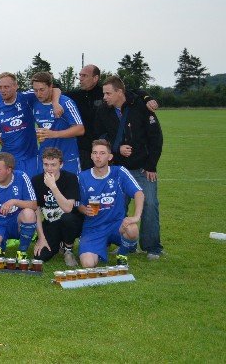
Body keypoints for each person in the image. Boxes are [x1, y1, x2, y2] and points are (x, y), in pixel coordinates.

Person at [94, 75, 163, 260]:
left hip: (143, 168)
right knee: (117, 207)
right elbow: (100, 136)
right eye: (103, 94)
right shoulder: (103, 111)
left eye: (108, 93)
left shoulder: (141, 106)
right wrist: (116, 149)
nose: (105, 97)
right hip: (118, 169)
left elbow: (156, 138)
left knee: (149, 204)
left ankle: (152, 247)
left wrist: (151, 165)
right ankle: (124, 243)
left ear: (119, 92)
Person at [66, 64, 158, 170]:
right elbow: (57, 92)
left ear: (95, 78)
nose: (80, 78)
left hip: (107, 152)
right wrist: (55, 102)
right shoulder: (74, 95)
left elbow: (134, 92)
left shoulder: (105, 92)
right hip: (84, 150)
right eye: (80, 75)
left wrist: (148, 98)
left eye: (84, 75)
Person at [76, 139, 144, 268]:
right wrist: (84, 210)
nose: (98, 156)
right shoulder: (83, 177)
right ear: (91, 156)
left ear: (110, 156)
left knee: (132, 228)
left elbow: (138, 193)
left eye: (102, 153)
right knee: (88, 264)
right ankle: (98, 248)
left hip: (116, 225)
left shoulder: (119, 172)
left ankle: (122, 255)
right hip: (94, 228)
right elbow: (77, 203)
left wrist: (136, 217)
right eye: (95, 153)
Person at [0, 72, 61, 178]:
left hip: (29, 159)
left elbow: (55, 89)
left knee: (31, 187)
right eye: (0, 87)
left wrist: (55, 103)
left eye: (6, 87)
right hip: (8, 160)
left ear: (16, 86)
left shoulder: (26, 98)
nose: (2, 90)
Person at [32, 147, 84, 266]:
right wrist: (41, 238)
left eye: (53, 165)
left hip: (71, 222)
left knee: (68, 218)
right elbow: (36, 210)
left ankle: (68, 250)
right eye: (46, 164)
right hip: (51, 222)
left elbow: (68, 208)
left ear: (61, 165)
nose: (49, 168)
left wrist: (53, 187)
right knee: (40, 256)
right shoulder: (36, 180)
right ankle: (59, 243)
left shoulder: (70, 178)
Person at [30, 72, 85, 174]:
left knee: (70, 184)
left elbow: (80, 129)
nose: (38, 94)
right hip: (46, 159)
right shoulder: (34, 102)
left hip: (67, 158)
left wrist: (53, 134)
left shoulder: (65, 103)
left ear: (51, 86)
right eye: (35, 90)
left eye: (42, 89)